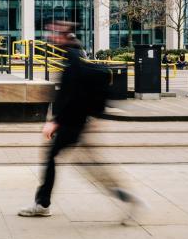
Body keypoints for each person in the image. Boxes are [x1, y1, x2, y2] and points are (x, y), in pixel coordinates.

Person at [18, 21, 140, 219]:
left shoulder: (72, 60)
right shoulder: (75, 55)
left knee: (61, 160)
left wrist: (55, 121)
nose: (50, 37)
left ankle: (43, 204)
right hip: (79, 122)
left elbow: (71, 94)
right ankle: (126, 198)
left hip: (73, 123)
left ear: (65, 36)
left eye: (54, 33)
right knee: (88, 166)